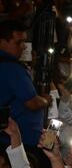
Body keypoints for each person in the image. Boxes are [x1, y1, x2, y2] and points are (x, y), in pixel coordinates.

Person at [0, 19, 50, 148]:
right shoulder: (12, 68)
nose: (23, 46)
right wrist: (45, 100)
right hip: (21, 142)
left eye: (24, 41)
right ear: (2, 41)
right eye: (18, 42)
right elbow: (32, 103)